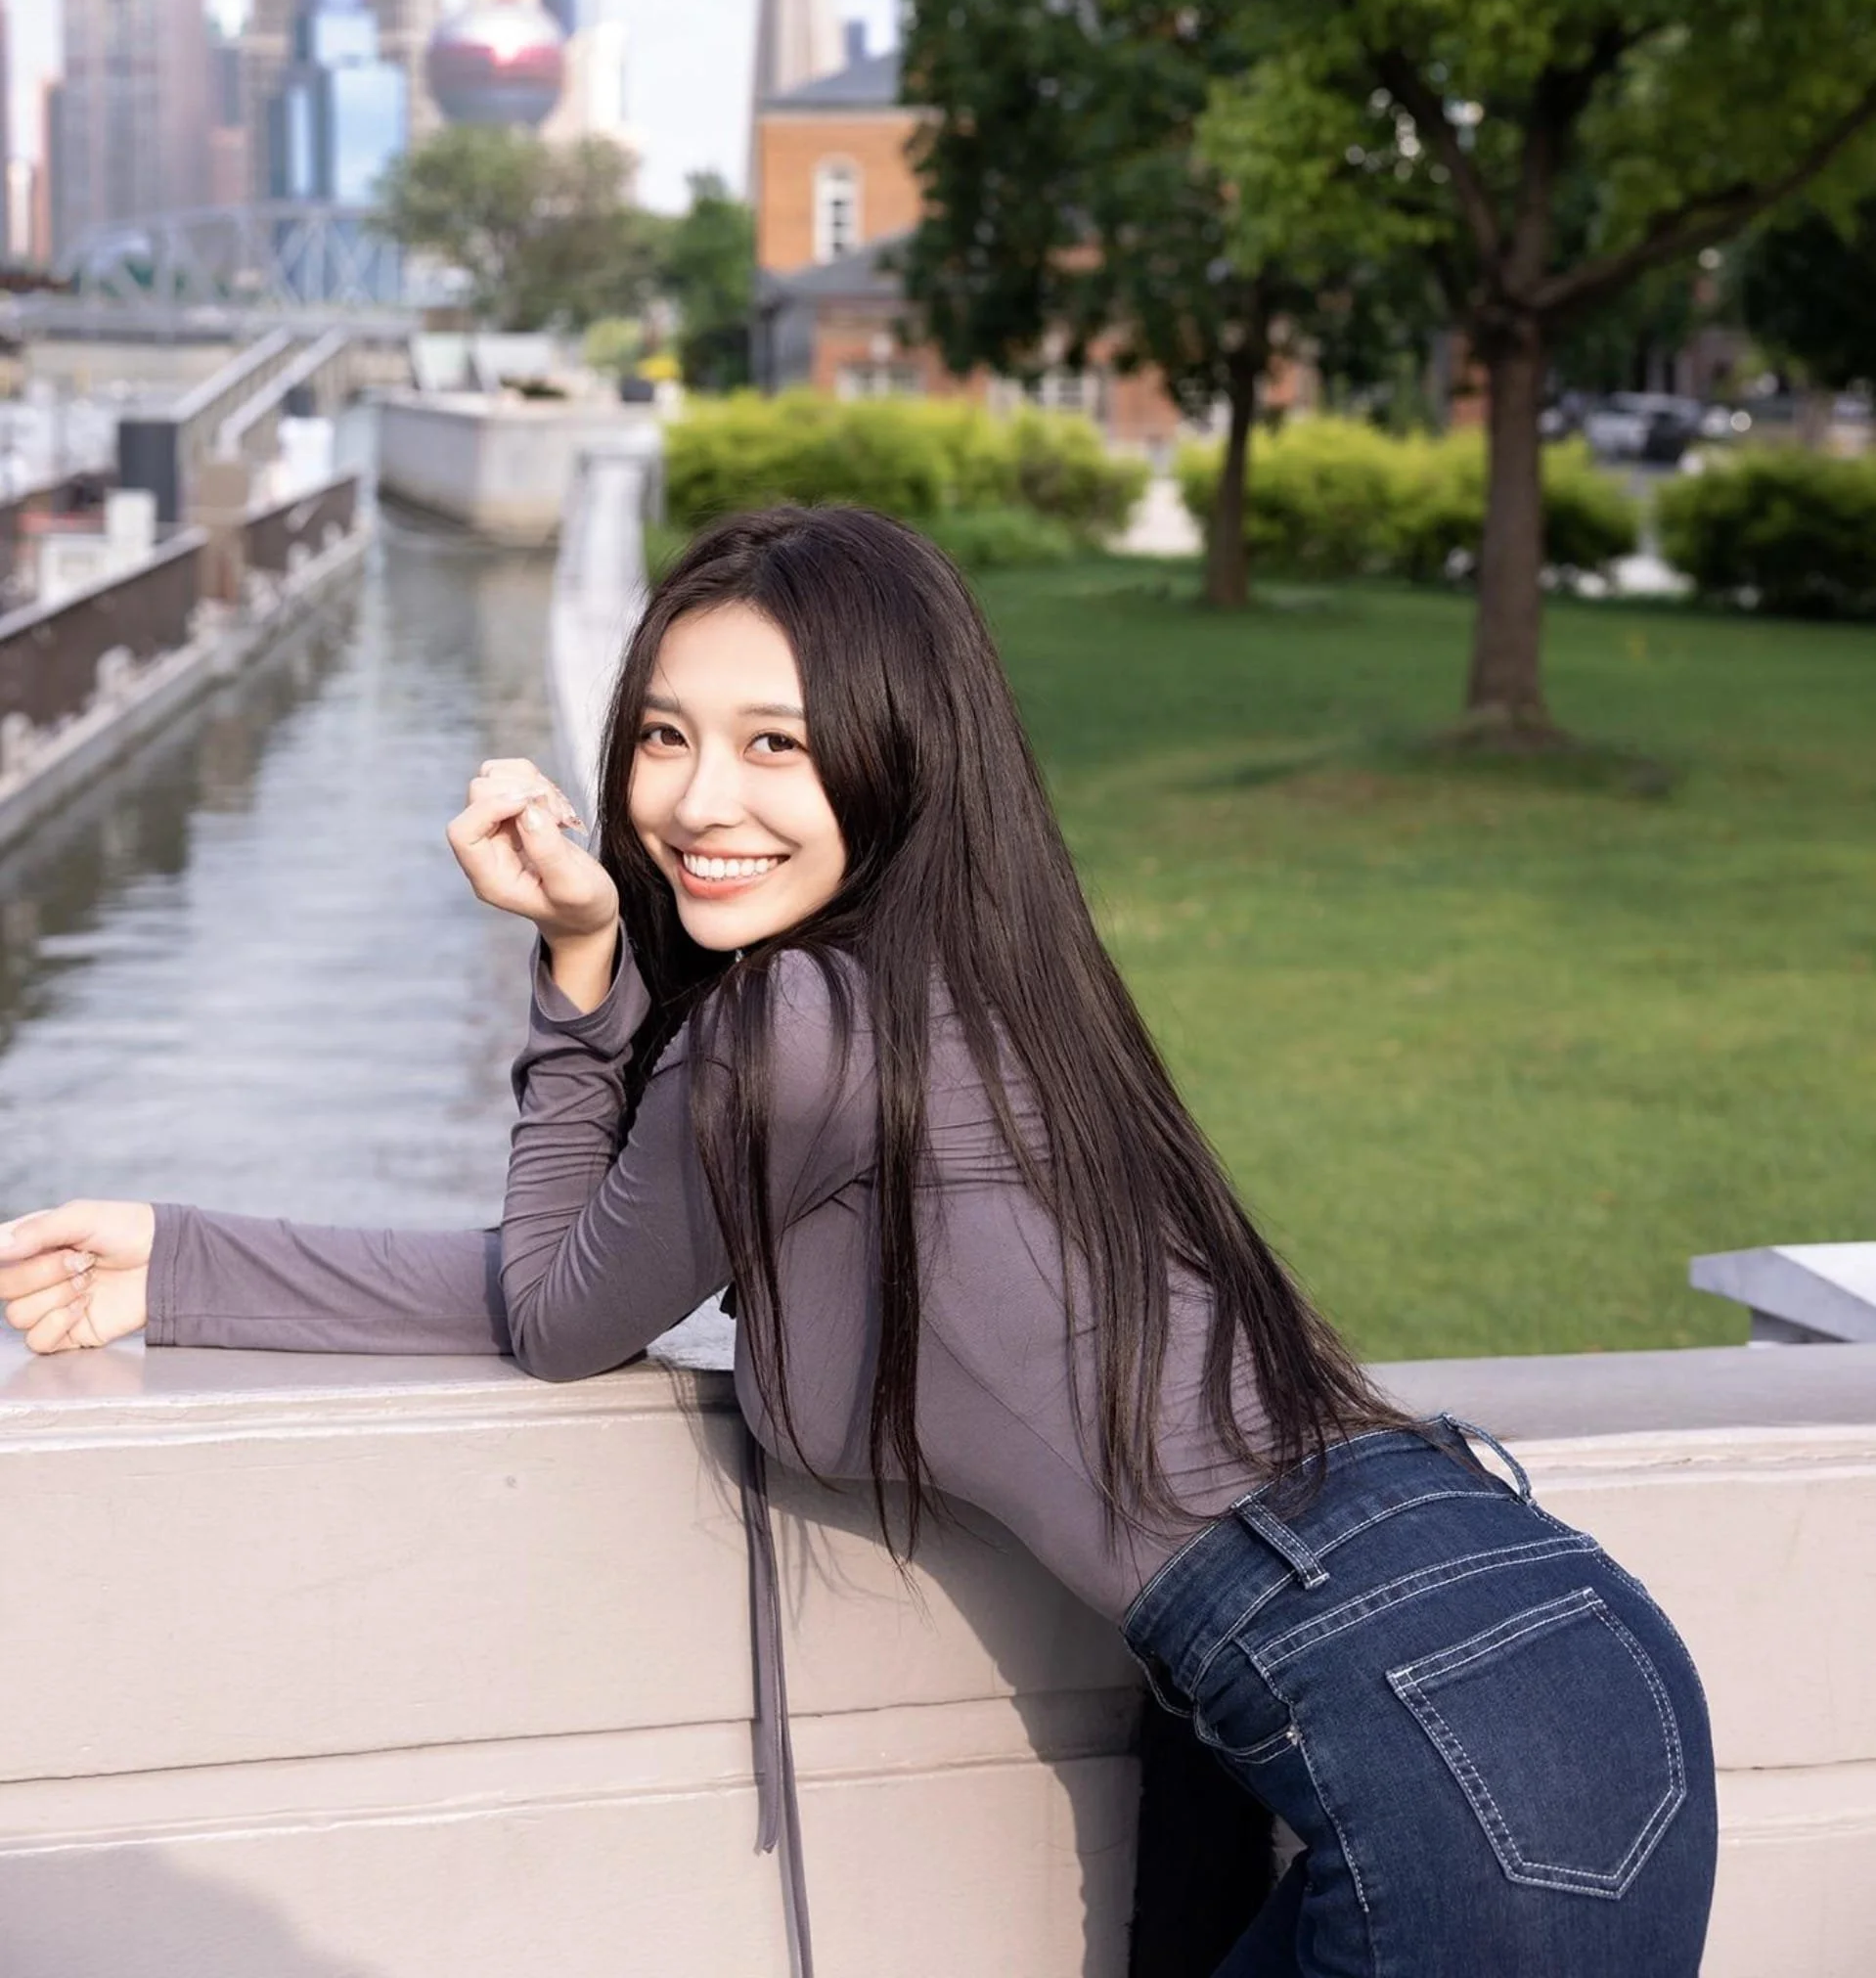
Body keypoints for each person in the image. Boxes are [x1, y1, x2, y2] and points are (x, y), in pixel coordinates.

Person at [0, 505, 1716, 1976]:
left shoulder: (800, 1024)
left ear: (899, 750)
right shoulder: (978, 986)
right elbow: (622, 1258)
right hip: (1539, 1638)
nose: (691, 799)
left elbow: (561, 1314)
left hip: (1413, 1714)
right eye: (662, 736)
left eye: (776, 742)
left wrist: (582, 973)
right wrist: (187, 1259)